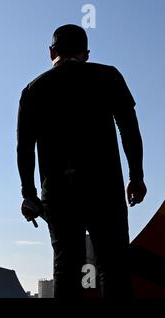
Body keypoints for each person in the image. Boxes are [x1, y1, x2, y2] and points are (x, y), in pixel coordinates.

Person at [17, 24, 147, 298]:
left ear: (51, 51)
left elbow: (25, 148)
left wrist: (28, 193)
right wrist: (136, 176)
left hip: (59, 191)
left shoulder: (33, 90)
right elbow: (130, 130)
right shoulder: (108, 76)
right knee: (114, 267)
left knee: (66, 269)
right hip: (105, 187)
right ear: (86, 53)